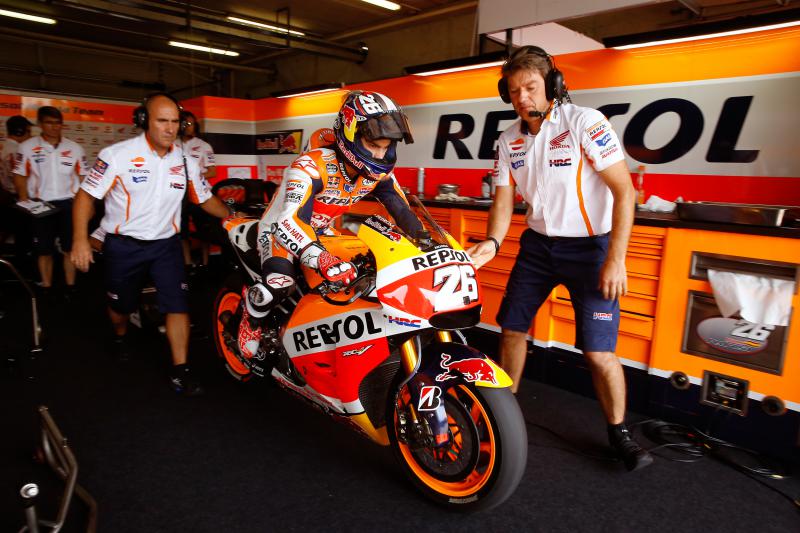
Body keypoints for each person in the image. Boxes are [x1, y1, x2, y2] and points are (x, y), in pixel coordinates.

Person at [467, 46, 653, 471]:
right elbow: (503, 200)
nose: (522, 98)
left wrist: (616, 258)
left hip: (590, 249)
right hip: (538, 247)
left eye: (531, 87)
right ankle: (504, 420)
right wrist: (493, 241)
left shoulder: (585, 122)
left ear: (552, 84)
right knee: (512, 329)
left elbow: (625, 191)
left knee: (598, 352)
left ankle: (620, 434)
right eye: (514, 91)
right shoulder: (508, 139)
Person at [238, 90, 422, 360]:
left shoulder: (378, 174)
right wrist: (322, 258)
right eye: (374, 145)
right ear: (350, 133)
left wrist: (427, 241)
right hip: (278, 231)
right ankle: (252, 318)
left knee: (360, 278)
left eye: (387, 146)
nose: (381, 154)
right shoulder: (311, 166)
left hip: (324, 232)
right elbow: (290, 220)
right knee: (279, 284)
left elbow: (402, 210)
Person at [70, 93, 232, 396]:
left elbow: (204, 198)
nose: (170, 128)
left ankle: (181, 369)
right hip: (123, 245)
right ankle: (120, 336)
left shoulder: (185, 161)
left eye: (175, 122)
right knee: (121, 306)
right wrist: (80, 239)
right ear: (145, 121)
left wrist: (233, 217)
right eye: (162, 121)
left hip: (166, 245)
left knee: (177, 304)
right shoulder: (116, 155)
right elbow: (85, 196)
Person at [13, 107, 87, 297]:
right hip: (41, 204)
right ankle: (46, 286)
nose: (54, 127)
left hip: (68, 203)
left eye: (58, 123)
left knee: (69, 248)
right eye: (49, 122)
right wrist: (24, 199)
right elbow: (20, 175)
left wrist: (86, 205)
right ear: (40, 124)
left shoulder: (75, 148)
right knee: (43, 249)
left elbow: (83, 178)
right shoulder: (26, 147)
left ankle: (70, 286)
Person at [177, 110, 216, 269]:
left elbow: (212, 171)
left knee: (204, 231)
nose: (188, 126)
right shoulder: (173, 144)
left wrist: (193, 177)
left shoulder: (204, 145)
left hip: (199, 194)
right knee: (182, 231)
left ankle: (206, 264)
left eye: (191, 123)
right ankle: (188, 264)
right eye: (185, 123)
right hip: (179, 195)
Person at [0, 115, 33, 249]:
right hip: (14, 198)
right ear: (19, 132)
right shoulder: (15, 152)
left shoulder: (4, 147)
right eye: (28, 132)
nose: (30, 136)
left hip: (5, 196)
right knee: (22, 236)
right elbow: (17, 178)